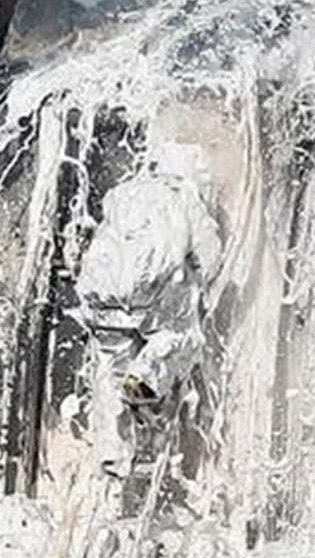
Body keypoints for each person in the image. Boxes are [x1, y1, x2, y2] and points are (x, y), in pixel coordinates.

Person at [73, 141, 223, 476]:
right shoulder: (184, 196)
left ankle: (112, 452)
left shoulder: (122, 192)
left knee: (109, 365)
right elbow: (209, 252)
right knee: (179, 339)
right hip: (147, 295)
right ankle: (143, 382)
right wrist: (201, 283)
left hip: (101, 291)